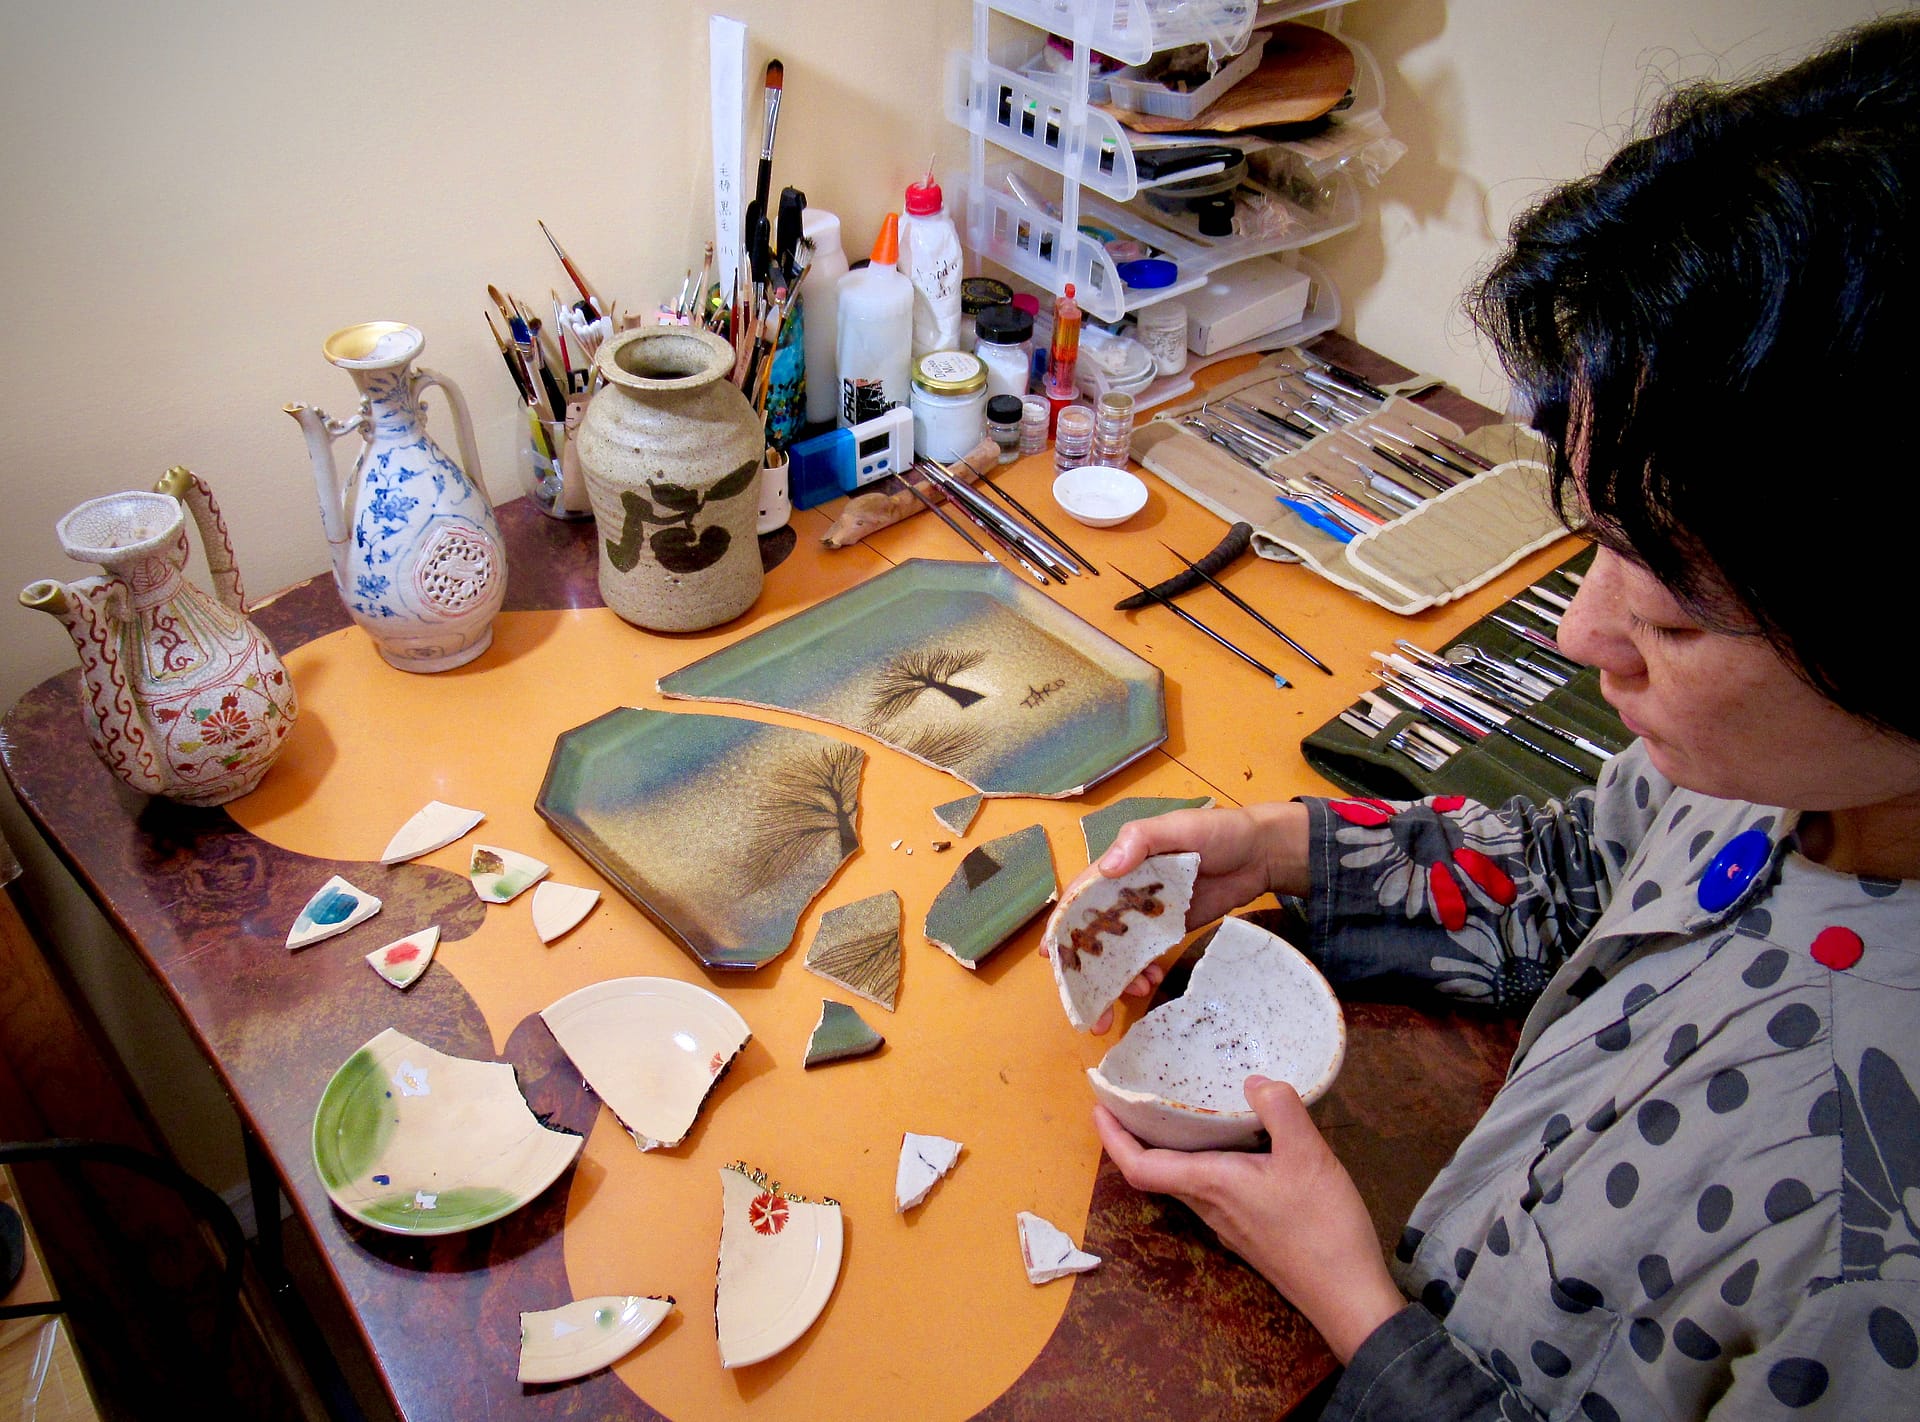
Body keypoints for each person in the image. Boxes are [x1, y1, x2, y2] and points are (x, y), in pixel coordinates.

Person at [1076, 16, 1920, 1420]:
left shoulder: (1876, 1243)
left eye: (1676, 608)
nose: (1585, 636)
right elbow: (1586, 870)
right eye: (1596, 539)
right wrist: (1288, 850)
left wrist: (1352, 1300)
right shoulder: (1776, 770)